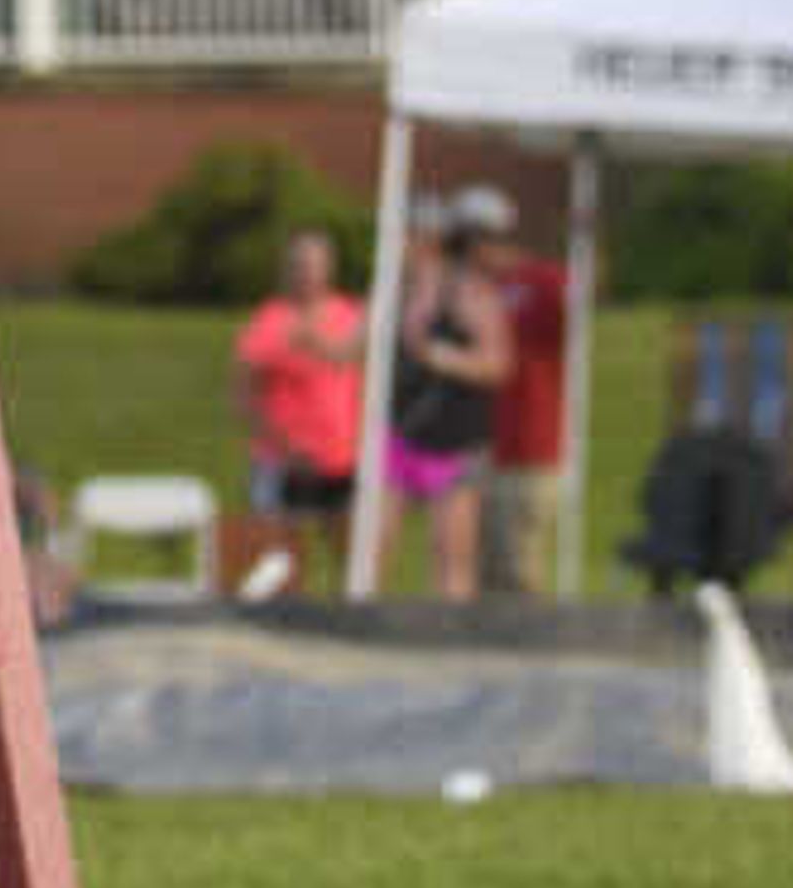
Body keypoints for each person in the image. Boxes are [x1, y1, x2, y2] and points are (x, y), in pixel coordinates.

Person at [379, 183, 514, 599]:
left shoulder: (471, 294)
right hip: (401, 434)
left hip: (455, 444)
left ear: (430, 239)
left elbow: (498, 365)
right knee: (373, 545)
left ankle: (451, 641)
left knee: (451, 556)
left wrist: (438, 356)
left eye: (407, 235)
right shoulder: (394, 291)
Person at [230, 219, 366, 592]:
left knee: (353, 556)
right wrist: (285, 446)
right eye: (301, 263)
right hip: (284, 461)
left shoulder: (349, 316)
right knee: (280, 560)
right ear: (288, 268)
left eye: (317, 263)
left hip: (341, 458)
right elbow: (243, 396)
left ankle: (347, 624)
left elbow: (351, 359)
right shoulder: (269, 322)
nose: (308, 272)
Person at [478, 208, 575, 597]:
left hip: (532, 444)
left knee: (520, 562)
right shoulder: (483, 288)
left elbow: (574, 309)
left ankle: (524, 645)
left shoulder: (544, 281)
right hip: (488, 445)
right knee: (489, 565)